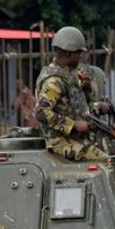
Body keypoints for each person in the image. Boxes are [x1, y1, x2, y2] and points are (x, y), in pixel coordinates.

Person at [34, 26, 109, 162]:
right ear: (68, 54)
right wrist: (73, 125)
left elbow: (77, 104)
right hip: (60, 142)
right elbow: (41, 112)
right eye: (79, 53)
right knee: (107, 162)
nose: (81, 56)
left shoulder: (69, 73)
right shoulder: (54, 81)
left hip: (77, 138)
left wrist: (86, 88)